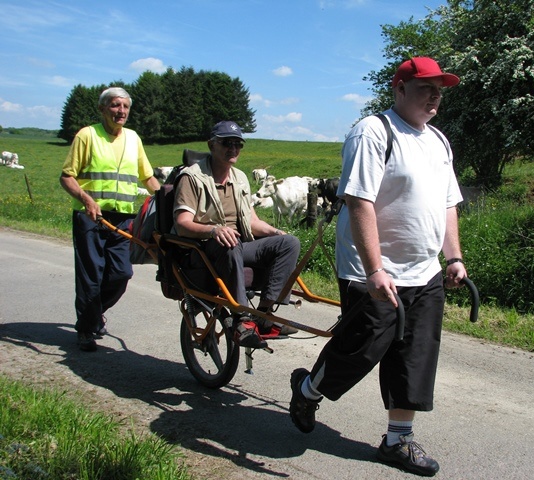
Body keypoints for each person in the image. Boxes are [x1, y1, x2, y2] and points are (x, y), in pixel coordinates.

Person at [288, 57, 467, 477]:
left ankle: (396, 441)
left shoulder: (439, 140)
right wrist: (374, 269)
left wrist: (453, 256)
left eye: (439, 87)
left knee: (416, 354)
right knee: (361, 347)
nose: (435, 94)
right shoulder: (373, 131)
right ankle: (308, 389)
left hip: (423, 271)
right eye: (425, 86)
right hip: (372, 270)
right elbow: (359, 200)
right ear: (400, 89)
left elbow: (448, 204)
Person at [172, 120, 301, 349]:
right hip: (205, 247)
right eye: (226, 143)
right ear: (211, 145)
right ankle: (241, 318)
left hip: (238, 245)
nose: (233, 149)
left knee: (289, 242)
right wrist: (214, 230)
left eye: (238, 144)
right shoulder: (192, 177)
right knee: (229, 241)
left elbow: (251, 222)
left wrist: (274, 231)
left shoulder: (240, 178)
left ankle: (264, 314)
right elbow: (182, 224)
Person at [60, 87, 161, 352]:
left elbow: (147, 177)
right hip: (91, 216)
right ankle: (86, 329)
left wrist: (168, 196)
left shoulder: (132, 138)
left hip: (124, 220)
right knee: (91, 275)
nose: (122, 111)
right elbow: (67, 176)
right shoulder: (87, 135)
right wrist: (86, 200)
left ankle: (92, 316)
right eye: (116, 106)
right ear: (103, 109)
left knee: (121, 273)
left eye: (126, 107)